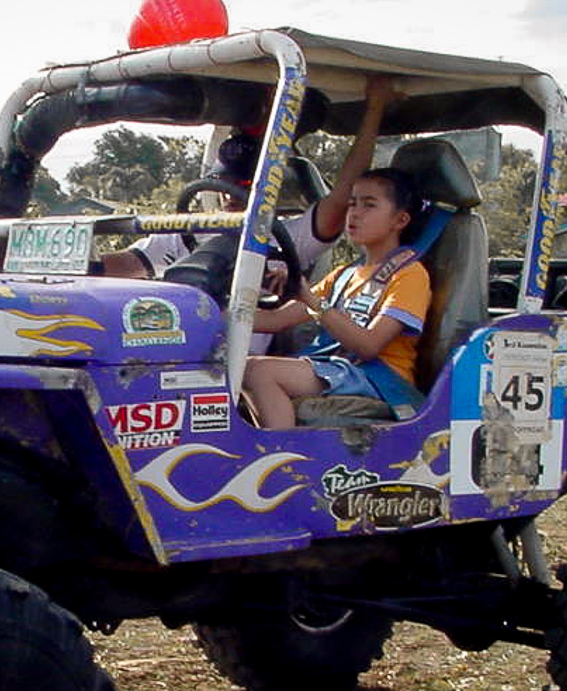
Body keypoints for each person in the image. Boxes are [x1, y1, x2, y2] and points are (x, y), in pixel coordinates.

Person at [99, 76, 396, 281]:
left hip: (244, 358)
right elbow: (127, 264)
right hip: (173, 347)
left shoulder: (289, 239)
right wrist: (78, 269)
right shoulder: (188, 232)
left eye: (241, 188)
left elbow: (344, 194)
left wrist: (375, 107)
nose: (229, 196)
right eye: (224, 186)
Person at [241, 167, 430, 430]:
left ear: (400, 220)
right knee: (238, 365)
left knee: (258, 371)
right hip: (340, 368)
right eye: (352, 204)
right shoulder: (344, 275)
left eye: (369, 205)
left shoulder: (410, 275)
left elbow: (369, 346)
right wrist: (212, 313)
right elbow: (275, 320)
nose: (355, 213)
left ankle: (284, 458)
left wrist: (313, 300)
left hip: (379, 378)